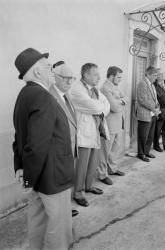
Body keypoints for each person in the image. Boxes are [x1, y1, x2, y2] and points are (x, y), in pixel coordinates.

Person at [13, 48, 74, 249]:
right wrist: (28, 178)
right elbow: (37, 144)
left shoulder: (24, 94)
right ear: (38, 72)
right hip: (52, 175)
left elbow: (20, 138)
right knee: (59, 227)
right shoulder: (43, 96)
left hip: (38, 174)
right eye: (48, 67)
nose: (51, 70)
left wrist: (21, 169)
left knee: (38, 222)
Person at [70, 63, 110, 206]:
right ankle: (78, 193)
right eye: (95, 74)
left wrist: (100, 109)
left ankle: (88, 186)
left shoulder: (94, 89)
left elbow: (107, 104)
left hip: (96, 129)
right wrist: (99, 107)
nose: (98, 77)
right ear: (85, 75)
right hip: (84, 132)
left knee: (93, 163)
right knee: (82, 165)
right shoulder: (76, 89)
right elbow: (94, 106)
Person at [49, 61, 79, 217]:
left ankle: (66, 208)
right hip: (58, 152)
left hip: (70, 148)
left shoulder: (67, 95)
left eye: (72, 78)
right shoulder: (49, 97)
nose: (69, 81)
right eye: (65, 77)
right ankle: (60, 212)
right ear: (56, 77)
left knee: (67, 182)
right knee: (59, 184)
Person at [98, 66, 125, 186]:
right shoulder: (105, 88)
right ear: (111, 76)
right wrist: (120, 101)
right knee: (105, 150)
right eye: (118, 77)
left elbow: (125, 98)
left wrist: (119, 100)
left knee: (115, 148)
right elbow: (114, 107)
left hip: (118, 123)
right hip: (109, 124)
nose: (120, 79)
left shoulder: (115, 87)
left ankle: (112, 169)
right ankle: (102, 174)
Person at [136, 66, 160, 162]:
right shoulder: (142, 83)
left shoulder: (152, 85)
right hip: (145, 113)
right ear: (148, 74)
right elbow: (143, 100)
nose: (156, 77)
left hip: (152, 113)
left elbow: (155, 98)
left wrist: (157, 107)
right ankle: (141, 153)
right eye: (154, 75)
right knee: (143, 135)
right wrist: (154, 108)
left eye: (156, 75)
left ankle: (146, 151)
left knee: (150, 135)